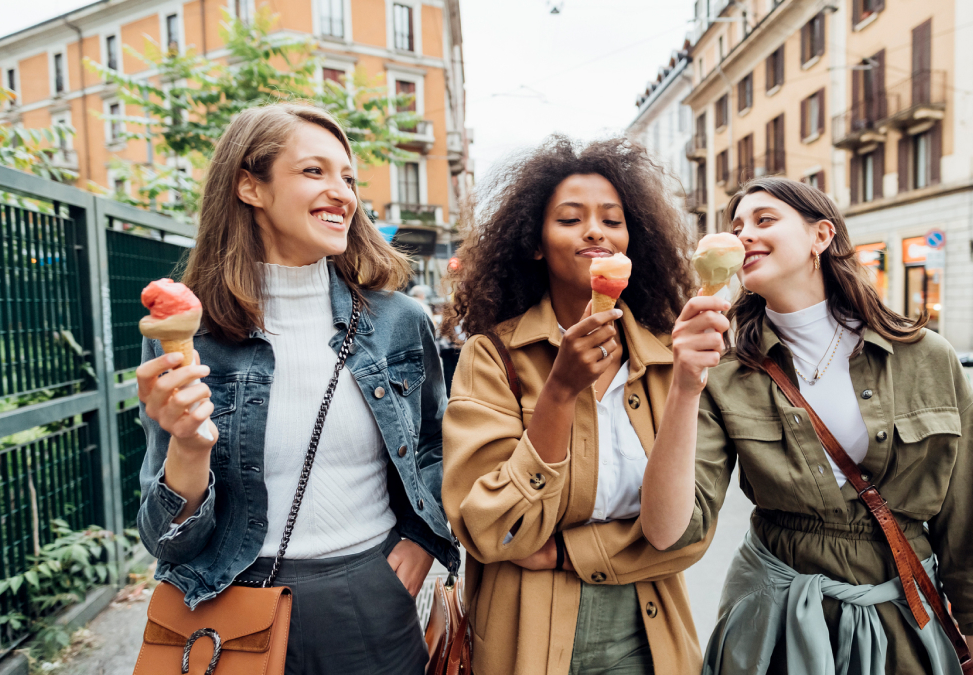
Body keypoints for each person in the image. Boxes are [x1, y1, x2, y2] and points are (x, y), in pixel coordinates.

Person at [640, 177, 973, 675]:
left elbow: (971, 539)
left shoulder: (924, 357)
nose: (744, 234)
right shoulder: (725, 371)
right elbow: (669, 532)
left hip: (903, 626)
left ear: (821, 236)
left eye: (765, 220)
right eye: (736, 226)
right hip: (772, 629)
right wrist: (685, 386)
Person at [134, 103, 458, 675]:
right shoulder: (191, 336)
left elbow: (436, 445)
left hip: (371, 596)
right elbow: (166, 541)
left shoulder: (397, 322)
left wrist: (419, 540)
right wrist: (188, 446)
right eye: (314, 172)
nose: (342, 194)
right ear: (249, 186)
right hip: (229, 603)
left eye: (348, 177)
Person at [440, 135, 714, 675]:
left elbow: (691, 529)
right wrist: (560, 391)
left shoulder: (670, 357)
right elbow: (489, 531)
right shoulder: (493, 356)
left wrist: (567, 554)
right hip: (527, 635)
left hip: (650, 634)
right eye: (570, 219)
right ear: (536, 242)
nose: (595, 230)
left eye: (612, 220)